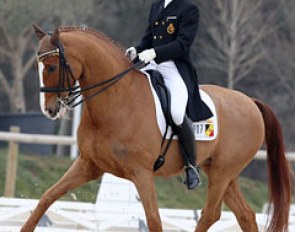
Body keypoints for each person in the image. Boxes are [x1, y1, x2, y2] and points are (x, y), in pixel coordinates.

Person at [125, 0, 212, 190]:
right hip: (150, 63)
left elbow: (183, 45)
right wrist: (137, 50)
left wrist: (155, 52)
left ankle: (191, 165)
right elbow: (149, 37)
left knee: (176, 113)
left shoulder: (189, 9)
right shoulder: (157, 6)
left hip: (174, 67)